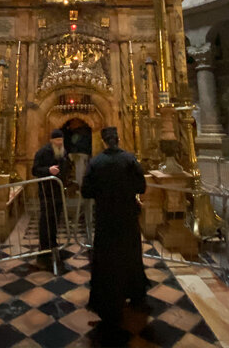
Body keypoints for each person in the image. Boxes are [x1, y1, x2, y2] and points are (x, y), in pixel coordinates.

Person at [81, 126, 148, 337]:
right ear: (118, 139)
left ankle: (108, 301)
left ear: (103, 142)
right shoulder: (129, 159)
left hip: (106, 218)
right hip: (127, 217)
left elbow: (86, 190)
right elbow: (142, 186)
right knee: (130, 254)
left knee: (107, 258)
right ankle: (134, 293)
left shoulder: (96, 162)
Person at [32, 129, 72, 271]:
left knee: (55, 219)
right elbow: (35, 170)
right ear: (52, 141)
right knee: (46, 221)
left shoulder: (63, 152)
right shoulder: (42, 152)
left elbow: (66, 167)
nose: (60, 143)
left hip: (58, 192)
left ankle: (53, 245)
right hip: (46, 192)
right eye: (57, 141)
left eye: (61, 141)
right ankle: (44, 251)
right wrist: (48, 170)